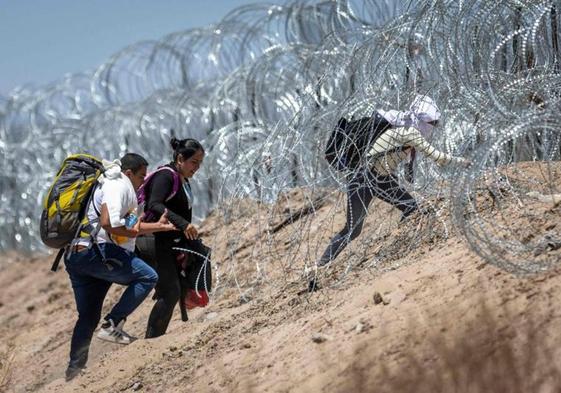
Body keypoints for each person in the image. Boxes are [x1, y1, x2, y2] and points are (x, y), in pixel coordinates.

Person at [317, 95, 468, 268]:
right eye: (432, 123)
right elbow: (438, 158)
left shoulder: (404, 128)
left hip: (364, 178)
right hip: (371, 178)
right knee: (360, 227)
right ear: (420, 120)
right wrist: (465, 162)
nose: (433, 128)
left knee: (354, 229)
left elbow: (403, 161)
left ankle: (322, 264)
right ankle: (401, 243)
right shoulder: (410, 133)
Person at [64, 153, 176, 381]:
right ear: (129, 173)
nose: (144, 181)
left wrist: (158, 226)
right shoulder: (119, 185)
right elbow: (109, 223)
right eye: (141, 176)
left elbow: (130, 226)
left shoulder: (121, 191)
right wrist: (132, 229)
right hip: (97, 252)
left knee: (87, 316)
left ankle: (73, 372)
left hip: (78, 256)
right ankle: (112, 324)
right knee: (147, 277)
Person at [143, 137, 205, 338]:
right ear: (180, 158)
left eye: (199, 163)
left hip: (169, 242)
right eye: (194, 162)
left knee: (175, 290)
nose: (197, 167)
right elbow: (154, 204)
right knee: (170, 291)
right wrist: (183, 224)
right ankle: (150, 342)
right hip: (153, 240)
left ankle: (154, 338)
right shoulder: (166, 176)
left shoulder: (183, 180)